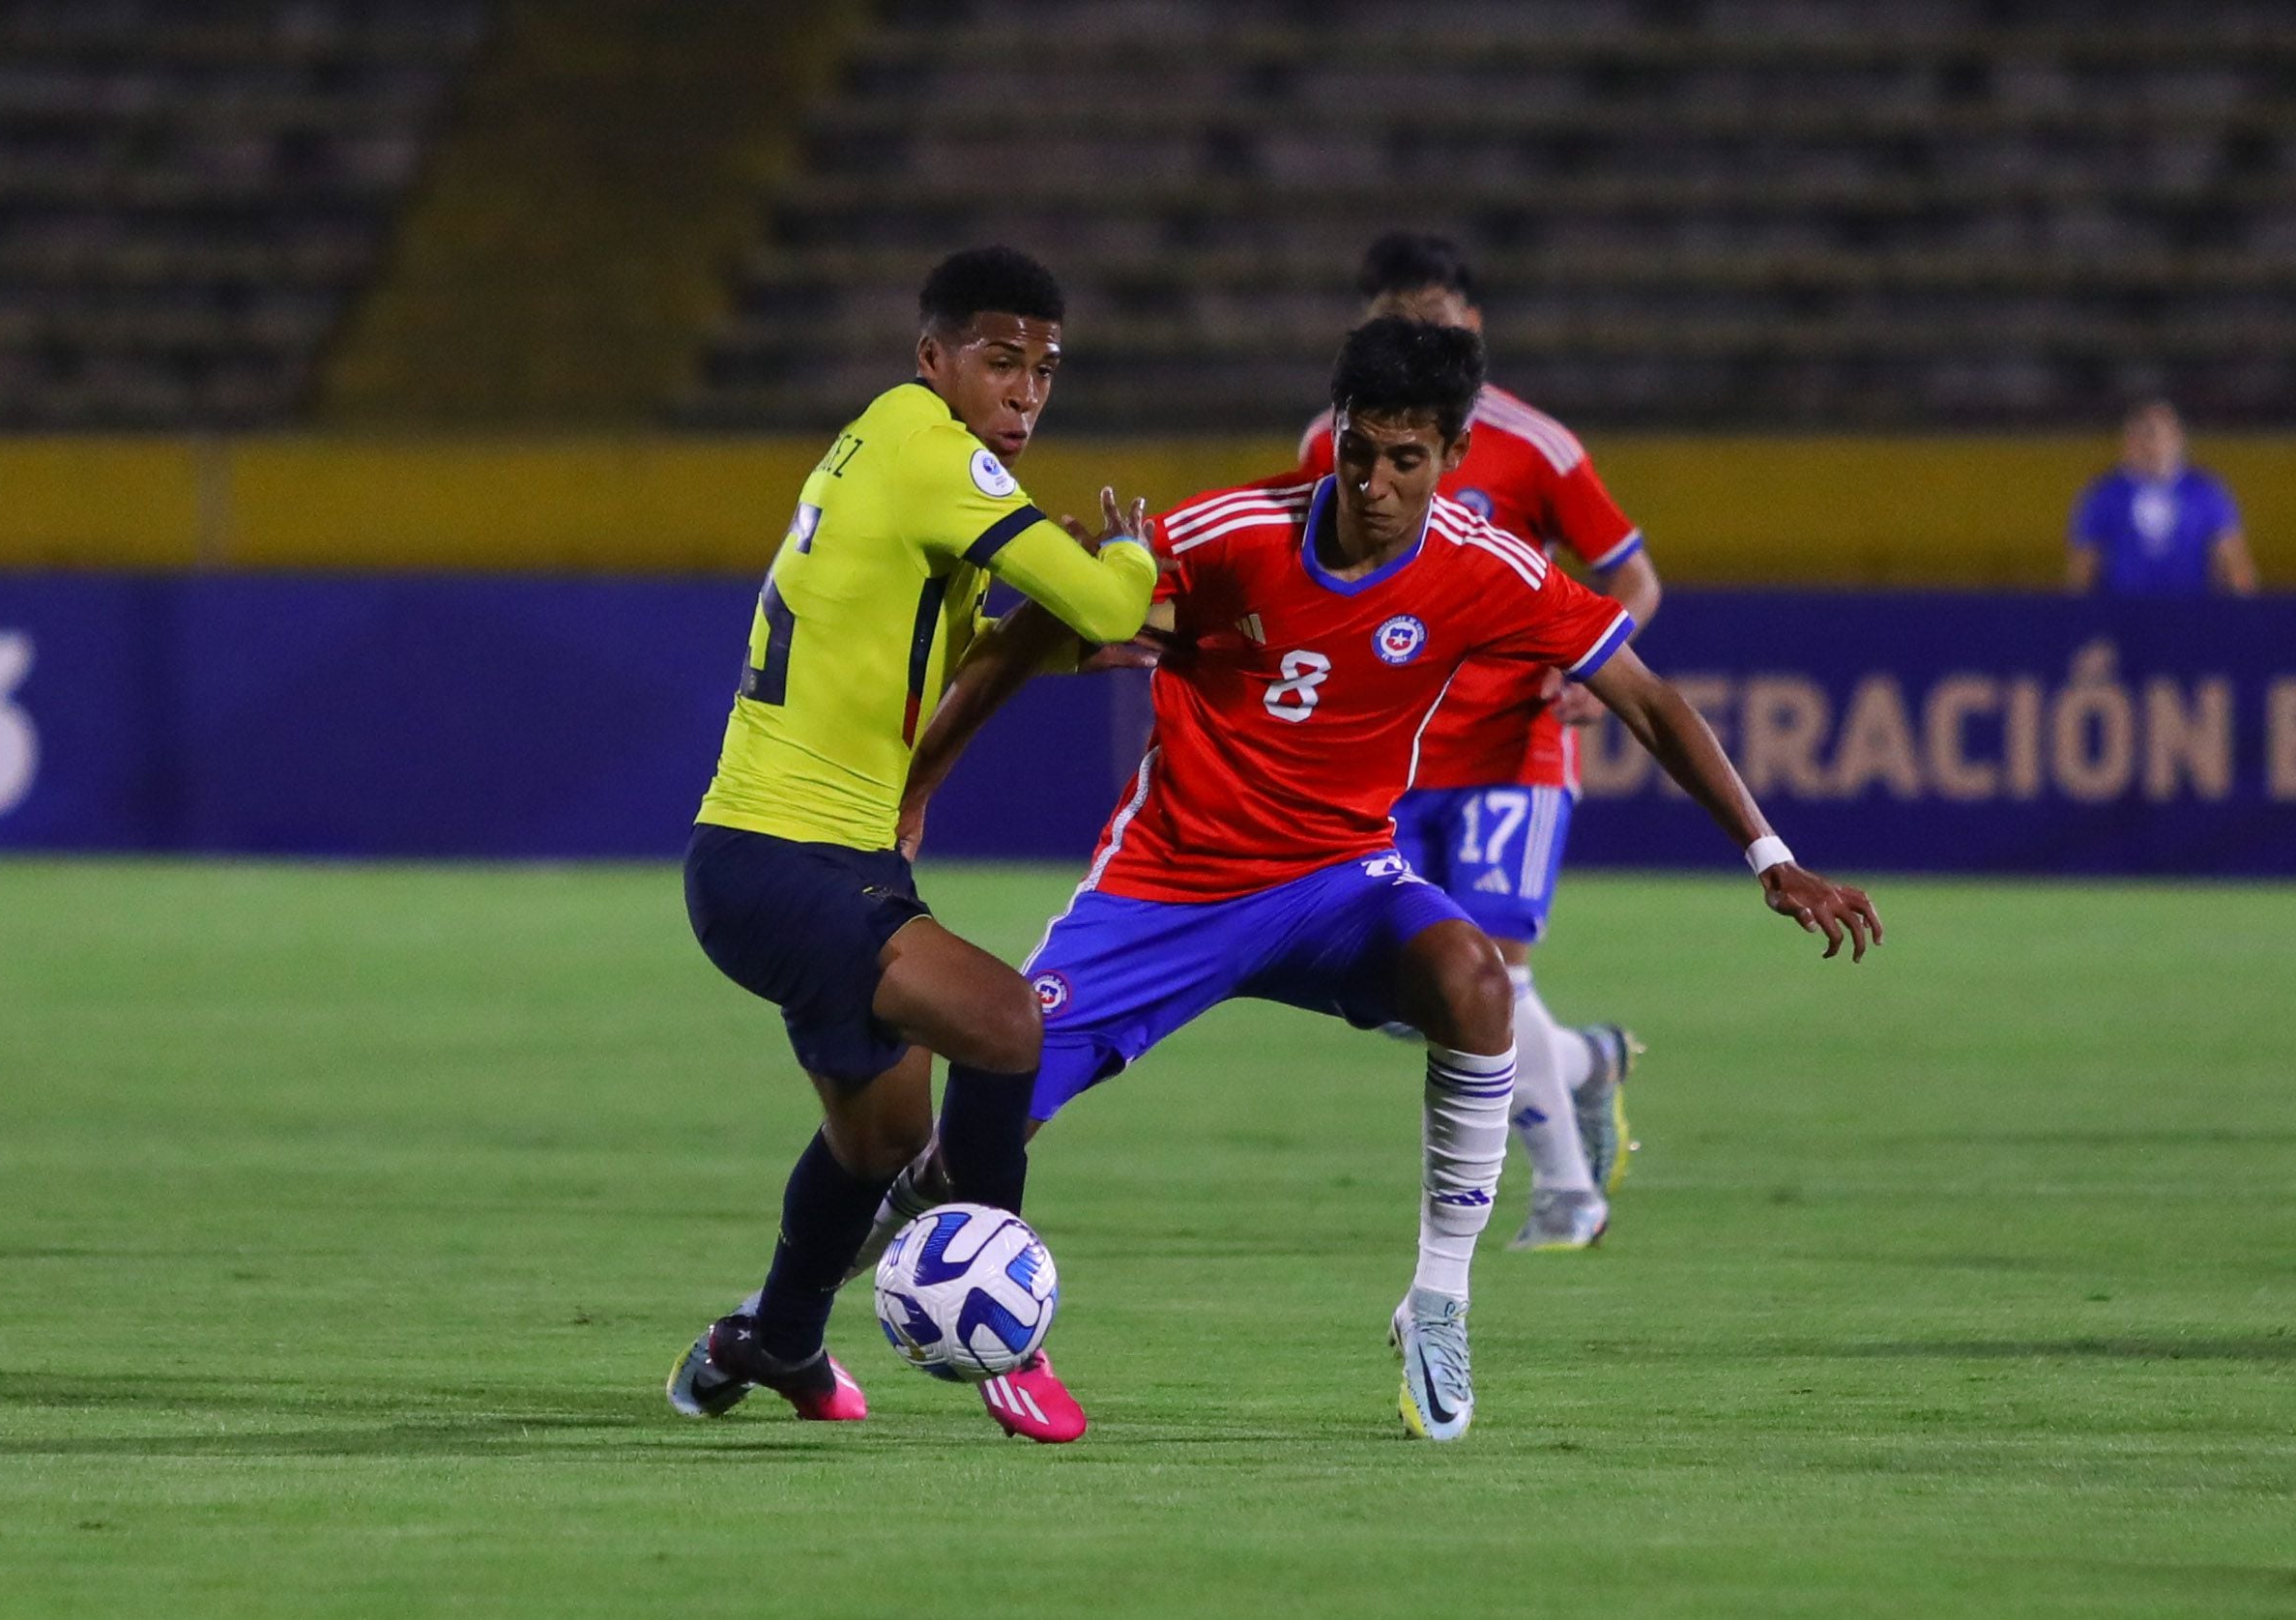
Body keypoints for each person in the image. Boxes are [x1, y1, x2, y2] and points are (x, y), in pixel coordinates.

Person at [877, 316, 1881, 1442]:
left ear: (1452, 456)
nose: (1375, 481)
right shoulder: (1227, 531)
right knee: (984, 1120)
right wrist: (921, 788)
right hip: (1168, 887)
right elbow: (1032, 632)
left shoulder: (1486, 567)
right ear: (1336, 436)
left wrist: (1773, 855)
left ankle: (1439, 1302)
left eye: (1407, 459)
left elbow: (1647, 697)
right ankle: (890, 1221)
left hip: (1338, 882)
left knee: (1476, 979)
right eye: (1359, 449)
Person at [667, 246, 1156, 1442]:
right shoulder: (937, 456)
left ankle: (771, 1338)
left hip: (802, 857)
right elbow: (1108, 607)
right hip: (780, 854)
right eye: (1001, 363)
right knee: (1006, 1021)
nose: (1025, 393)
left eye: (1044, 370)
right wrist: (1129, 555)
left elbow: (998, 630)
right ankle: (1009, 1344)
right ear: (933, 356)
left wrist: (1054, 620)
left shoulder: (884, 445)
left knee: (881, 1137)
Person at [1296, 233, 1662, 1251]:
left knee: (1498, 968)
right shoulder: (1329, 441)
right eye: (1393, 322)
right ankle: (1582, 1064)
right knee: (1400, 987)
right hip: (1392, 754)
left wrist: (1582, 661)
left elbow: (1633, 576)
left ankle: (1567, 1191)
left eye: (1432, 319)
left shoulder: (1536, 446)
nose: (1414, 339)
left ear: (1472, 324)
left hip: (1515, 744)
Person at [2066, 400, 2258, 596]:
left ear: (2177, 439)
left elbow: (2234, 562)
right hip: (2122, 616)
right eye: (2140, 436)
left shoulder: (2205, 492)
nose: (2150, 445)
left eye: (2156, 435)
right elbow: (2083, 567)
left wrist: (2244, 617)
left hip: (2192, 615)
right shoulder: (2104, 495)